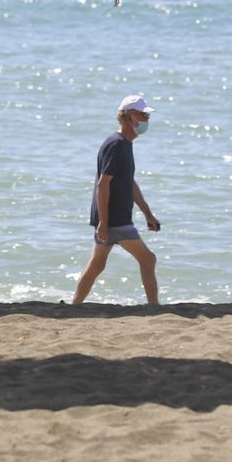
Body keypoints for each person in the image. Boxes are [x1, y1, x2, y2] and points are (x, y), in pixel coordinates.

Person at [72, 93, 162, 305]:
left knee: (96, 266)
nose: (146, 121)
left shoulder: (124, 144)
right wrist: (103, 222)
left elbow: (129, 183)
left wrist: (148, 213)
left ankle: (75, 305)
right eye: (143, 116)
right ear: (130, 116)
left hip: (112, 218)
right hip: (115, 219)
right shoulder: (116, 145)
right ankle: (154, 308)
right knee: (148, 259)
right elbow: (103, 184)